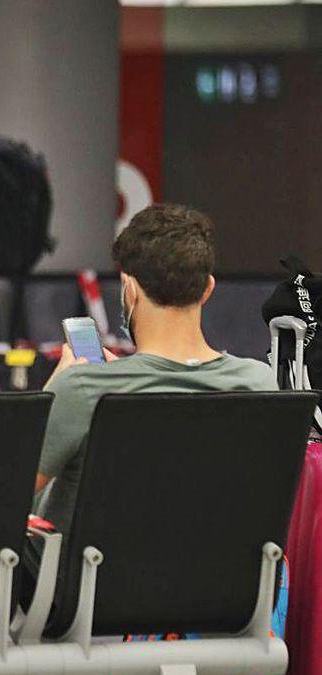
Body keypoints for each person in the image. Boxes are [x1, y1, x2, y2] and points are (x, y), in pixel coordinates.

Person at [34, 204, 278, 533]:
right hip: (221, 582)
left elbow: (5, 492)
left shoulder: (84, 390)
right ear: (207, 288)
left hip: (98, 581)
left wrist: (56, 389)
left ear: (129, 290)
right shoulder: (259, 384)